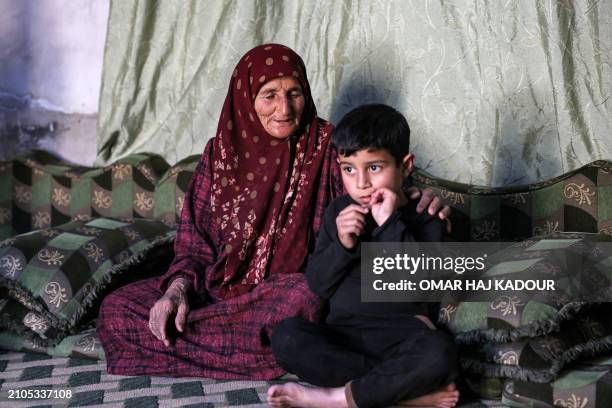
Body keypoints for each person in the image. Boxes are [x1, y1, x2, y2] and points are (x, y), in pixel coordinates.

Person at [97, 44, 450, 380]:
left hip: (282, 296)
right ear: (245, 98)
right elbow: (193, 241)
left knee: (305, 298)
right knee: (116, 309)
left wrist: (414, 194)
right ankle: (252, 352)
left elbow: (369, 182)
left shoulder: (327, 146)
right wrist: (176, 290)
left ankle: (202, 348)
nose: (284, 108)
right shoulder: (219, 154)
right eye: (269, 95)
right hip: (216, 293)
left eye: (294, 93)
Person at [267, 104, 459, 408]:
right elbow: (318, 284)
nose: (361, 183)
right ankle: (403, 396)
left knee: (440, 352)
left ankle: (335, 398)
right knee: (286, 337)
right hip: (344, 336)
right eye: (348, 169)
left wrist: (390, 223)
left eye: (374, 167)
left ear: (405, 166)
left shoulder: (426, 217)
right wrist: (342, 244)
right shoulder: (338, 213)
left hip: (402, 339)